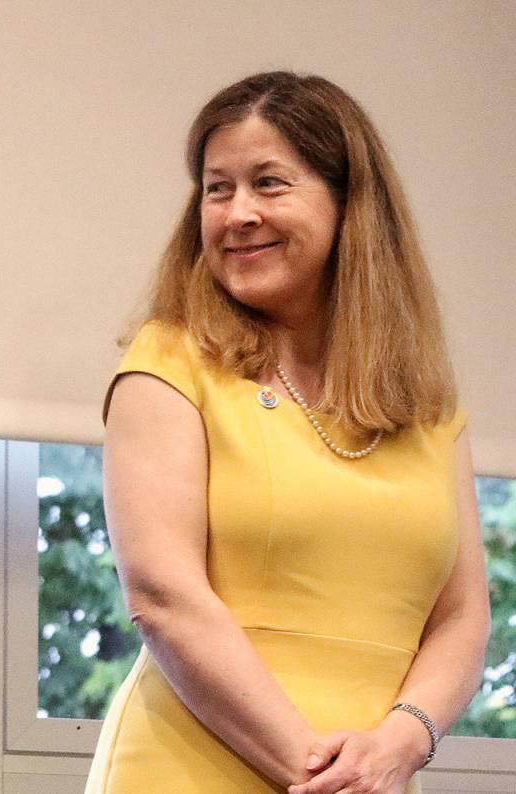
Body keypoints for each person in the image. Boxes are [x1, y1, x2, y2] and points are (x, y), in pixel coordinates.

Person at [85, 72, 489, 794]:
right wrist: (324, 776)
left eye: (269, 184)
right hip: (196, 769)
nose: (237, 213)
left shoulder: (428, 407)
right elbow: (163, 598)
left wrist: (399, 746)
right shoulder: (169, 361)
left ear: (350, 206)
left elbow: (461, 621)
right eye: (217, 188)